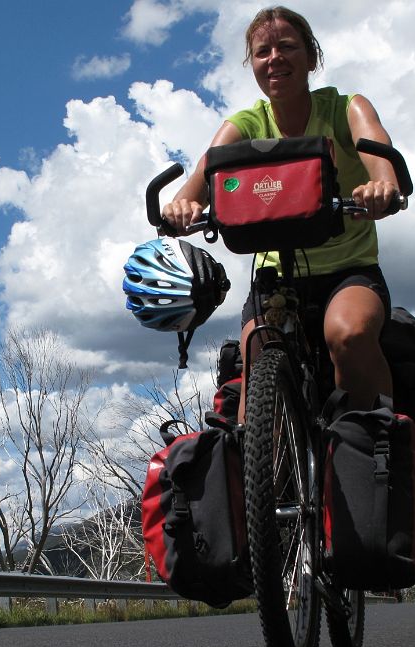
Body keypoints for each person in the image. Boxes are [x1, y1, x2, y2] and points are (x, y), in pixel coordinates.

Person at [161, 6, 402, 414]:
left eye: (287, 47)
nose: (274, 58)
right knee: (255, 357)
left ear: (312, 57)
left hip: (348, 271)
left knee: (348, 335)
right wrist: (182, 206)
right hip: (276, 278)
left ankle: (376, 446)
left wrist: (383, 185)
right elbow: (200, 181)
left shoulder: (346, 109)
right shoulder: (246, 124)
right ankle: (253, 469)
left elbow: (380, 155)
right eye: (262, 51)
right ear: (252, 64)